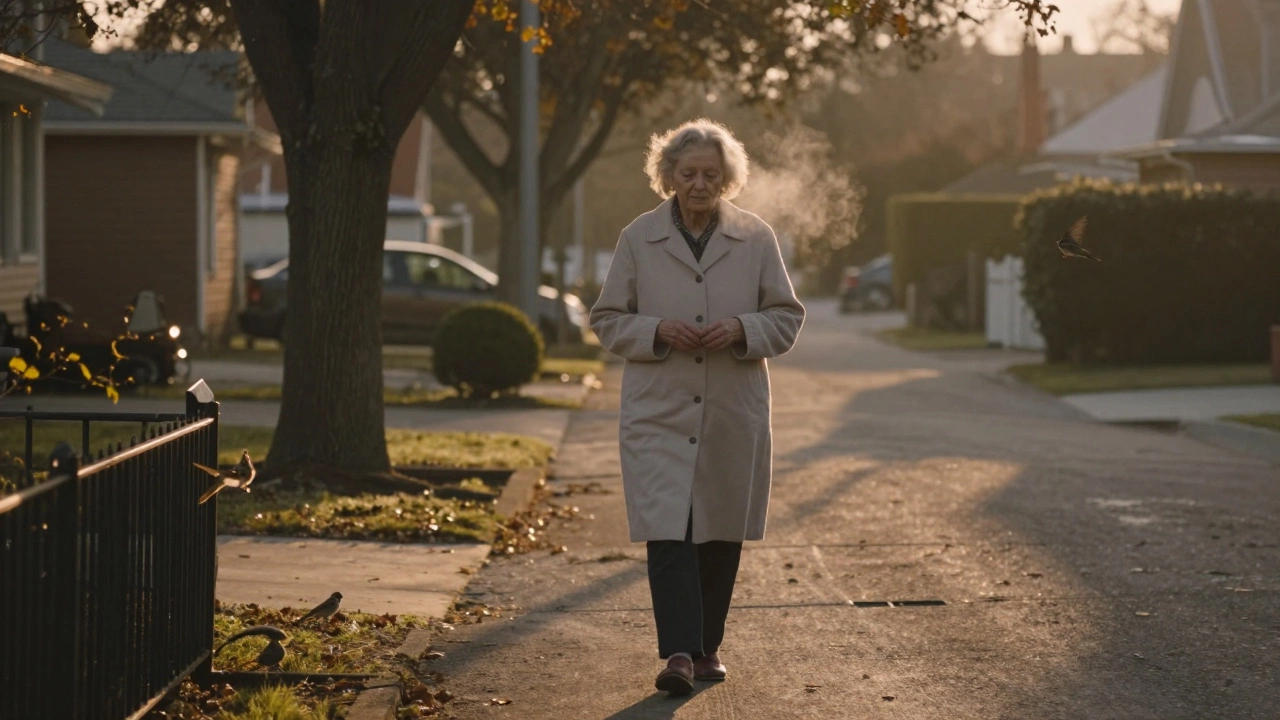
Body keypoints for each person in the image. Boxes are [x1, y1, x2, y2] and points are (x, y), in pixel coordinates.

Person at [589, 118, 805, 695]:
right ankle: (679, 654)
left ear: (727, 177)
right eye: (688, 173)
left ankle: (708, 648)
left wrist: (742, 327)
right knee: (669, 529)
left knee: (718, 531)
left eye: (711, 173)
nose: (700, 184)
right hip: (658, 410)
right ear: (668, 176)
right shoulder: (639, 237)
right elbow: (607, 320)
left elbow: (787, 318)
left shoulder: (756, 238)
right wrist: (658, 331)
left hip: (732, 410)